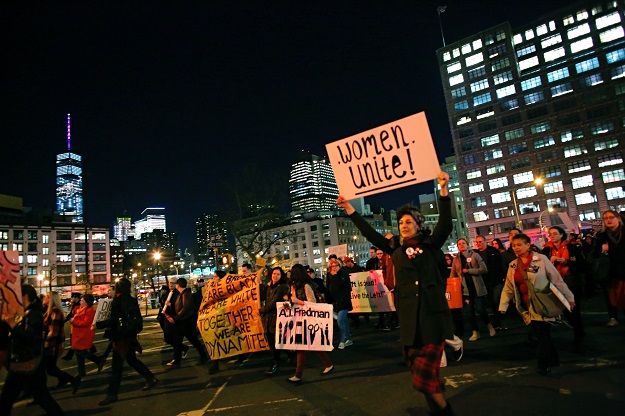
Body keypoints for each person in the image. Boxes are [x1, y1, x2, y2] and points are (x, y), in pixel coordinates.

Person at [337, 171, 455, 416]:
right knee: (422, 379)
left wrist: (443, 190)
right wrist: (349, 207)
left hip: (432, 320)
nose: (404, 225)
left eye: (409, 222)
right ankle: (437, 403)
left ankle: (446, 412)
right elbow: (370, 233)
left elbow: (445, 223)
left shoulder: (431, 244)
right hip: (410, 323)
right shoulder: (395, 248)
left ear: (418, 225)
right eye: (401, 222)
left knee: (424, 382)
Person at [499, 233, 575, 375]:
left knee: (542, 334)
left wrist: (569, 298)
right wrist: (503, 306)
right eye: (513, 245)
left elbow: (557, 279)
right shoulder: (513, 265)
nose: (516, 248)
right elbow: (509, 287)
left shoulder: (541, 259)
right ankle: (554, 358)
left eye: (519, 245)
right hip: (527, 306)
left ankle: (543, 365)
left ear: (528, 245)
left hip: (542, 302)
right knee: (541, 334)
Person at [0, 284, 65, 415]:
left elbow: (30, 338)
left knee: (40, 396)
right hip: (21, 362)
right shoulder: (23, 312)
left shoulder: (34, 314)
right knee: (8, 398)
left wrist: (13, 325)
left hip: (30, 362)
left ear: (25, 296)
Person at [98, 277, 158, 406]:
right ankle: (150, 378)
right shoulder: (131, 300)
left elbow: (114, 320)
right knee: (131, 359)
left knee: (117, 367)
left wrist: (99, 325)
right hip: (129, 334)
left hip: (120, 337)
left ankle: (112, 394)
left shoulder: (117, 301)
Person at [287, 264, 334, 384]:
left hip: (308, 319)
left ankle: (298, 375)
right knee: (312, 344)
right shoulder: (294, 286)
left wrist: (298, 301)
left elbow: (312, 303)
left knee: (302, 346)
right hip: (299, 318)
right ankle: (328, 364)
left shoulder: (306, 286)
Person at [541, 226, 586, 350]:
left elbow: (581, 264)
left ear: (561, 235)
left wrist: (566, 261)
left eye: (555, 233)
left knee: (573, 309)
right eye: (550, 234)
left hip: (570, 281)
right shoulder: (546, 250)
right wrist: (550, 262)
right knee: (562, 310)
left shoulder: (572, 247)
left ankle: (579, 335)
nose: (552, 236)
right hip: (554, 283)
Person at [450, 238, 494, 341]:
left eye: (463, 243)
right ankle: (475, 332)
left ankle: (489, 325)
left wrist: (469, 271)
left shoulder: (474, 255)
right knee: (470, 312)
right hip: (465, 289)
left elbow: (484, 269)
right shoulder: (456, 258)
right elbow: (453, 272)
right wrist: (452, 285)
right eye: (459, 244)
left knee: (480, 309)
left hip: (477, 287)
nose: (461, 245)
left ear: (467, 244)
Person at [165, 278, 209, 367]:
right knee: (177, 341)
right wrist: (171, 306)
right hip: (181, 322)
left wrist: (175, 318)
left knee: (194, 340)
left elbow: (185, 308)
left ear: (178, 285)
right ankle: (177, 360)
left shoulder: (186, 294)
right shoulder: (182, 294)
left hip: (186, 323)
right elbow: (180, 307)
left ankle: (204, 356)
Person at [42, 291, 80, 393]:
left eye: (46, 297)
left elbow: (53, 332)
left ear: (51, 299)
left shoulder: (55, 312)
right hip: (50, 344)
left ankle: (72, 380)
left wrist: (44, 345)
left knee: (49, 368)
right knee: (50, 368)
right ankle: (66, 379)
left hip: (52, 345)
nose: (44, 298)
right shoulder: (49, 311)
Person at [593, 210, 625, 326]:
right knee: (611, 296)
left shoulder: (623, 232)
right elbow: (594, 254)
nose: (608, 220)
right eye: (605, 218)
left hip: (623, 269)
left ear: (618, 219)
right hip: (609, 271)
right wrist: (602, 250)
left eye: (611, 217)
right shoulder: (602, 236)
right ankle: (613, 316)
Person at [260, 267, 291, 375]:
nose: (275, 276)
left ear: (281, 276)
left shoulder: (282, 287)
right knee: (275, 341)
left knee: (275, 342)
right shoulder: (269, 287)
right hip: (269, 318)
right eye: (274, 273)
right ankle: (290, 354)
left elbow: (272, 303)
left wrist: (260, 310)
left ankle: (275, 364)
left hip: (277, 318)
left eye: (278, 274)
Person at [474, 235, 505, 329]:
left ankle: (499, 321)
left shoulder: (493, 251)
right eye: (477, 242)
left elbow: (501, 263)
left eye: (480, 242)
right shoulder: (475, 253)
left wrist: (502, 276)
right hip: (483, 281)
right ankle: (493, 322)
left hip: (495, 280)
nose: (478, 244)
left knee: (495, 301)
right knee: (489, 302)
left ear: (485, 242)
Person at [71, 294, 104, 377]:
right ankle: (81, 372)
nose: (80, 301)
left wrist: (74, 321)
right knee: (79, 352)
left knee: (80, 352)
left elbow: (85, 323)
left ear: (87, 302)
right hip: (78, 333)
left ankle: (98, 360)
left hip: (83, 334)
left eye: (82, 300)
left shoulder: (90, 311)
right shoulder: (79, 309)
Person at [160, 277, 189, 360]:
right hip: (167, 318)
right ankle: (183, 348)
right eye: (169, 282)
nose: (170, 284)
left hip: (175, 319)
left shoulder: (179, 294)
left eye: (173, 283)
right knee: (167, 338)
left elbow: (181, 307)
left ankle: (177, 358)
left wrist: (171, 305)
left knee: (176, 339)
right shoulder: (168, 293)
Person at [328, 258, 353, 349]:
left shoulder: (342, 274)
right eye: (332, 266)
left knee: (340, 321)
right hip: (338, 302)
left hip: (344, 301)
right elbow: (332, 290)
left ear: (340, 266)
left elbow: (339, 286)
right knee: (344, 321)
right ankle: (349, 339)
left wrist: (334, 276)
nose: (334, 268)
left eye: (336, 266)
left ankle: (343, 340)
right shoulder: (333, 276)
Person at [61, 292, 81, 360]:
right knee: (76, 340)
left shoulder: (78, 305)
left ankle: (69, 355)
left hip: (77, 324)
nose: (71, 299)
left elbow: (73, 314)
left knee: (74, 340)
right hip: (75, 324)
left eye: (72, 297)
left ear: (76, 297)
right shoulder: (75, 304)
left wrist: (66, 319)